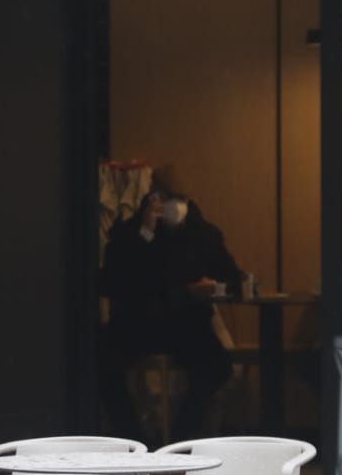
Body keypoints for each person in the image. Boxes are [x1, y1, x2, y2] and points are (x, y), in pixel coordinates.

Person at [98, 175, 243, 441]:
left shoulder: (204, 235)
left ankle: (182, 435)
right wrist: (146, 235)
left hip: (187, 323)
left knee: (217, 366)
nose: (174, 206)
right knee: (100, 361)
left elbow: (234, 279)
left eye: (180, 200)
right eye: (166, 199)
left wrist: (213, 287)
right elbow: (111, 281)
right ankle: (132, 437)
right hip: (136, 323)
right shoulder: (127, 234)